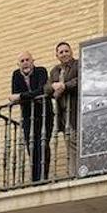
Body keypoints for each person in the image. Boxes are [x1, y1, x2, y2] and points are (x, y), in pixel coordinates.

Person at [10, 51, 51, 182]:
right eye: (22, 61)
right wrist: (28, 96)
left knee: (43, 144)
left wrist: (22, 96)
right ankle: (35, 179)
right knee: (31, 146)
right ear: (18, 64)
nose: (25, 63)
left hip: (45, 114)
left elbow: (42, 90)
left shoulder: (41, 71)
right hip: (28, 116)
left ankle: (43, 177)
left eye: (27, 60)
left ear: (33, 61)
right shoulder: (16, 75)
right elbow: (14, 94)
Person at [44, 42, 79, 173]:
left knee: (79, 141)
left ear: (71, 52)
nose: (64, 54)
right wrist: (53, 86)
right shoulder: (55, 71)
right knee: (70, 143)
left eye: (66, 51)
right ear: (57, 55)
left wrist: (65, 86)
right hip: (63, 115)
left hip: (76, 110)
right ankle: (73, 173)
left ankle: (80, 172)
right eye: (61, 52)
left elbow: (80, 79)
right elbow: (46, 88)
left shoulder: (78, 64)